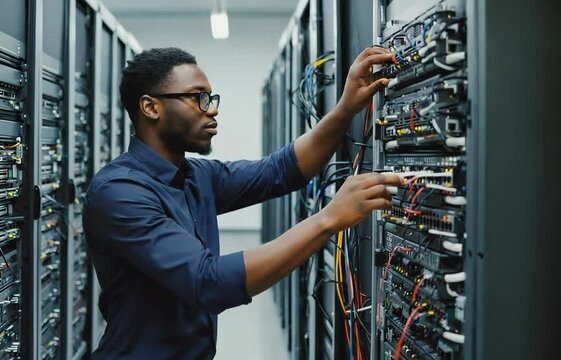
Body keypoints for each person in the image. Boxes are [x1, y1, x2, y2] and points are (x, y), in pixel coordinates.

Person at [82, 46, 403, 359]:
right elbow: (207, 282)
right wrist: (328, 220)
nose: (212, 109)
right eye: (198, 98)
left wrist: (345, 109)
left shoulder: (195, 175)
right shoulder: (120, 192)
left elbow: (283, 170)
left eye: (211, 98)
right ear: (151, 107)